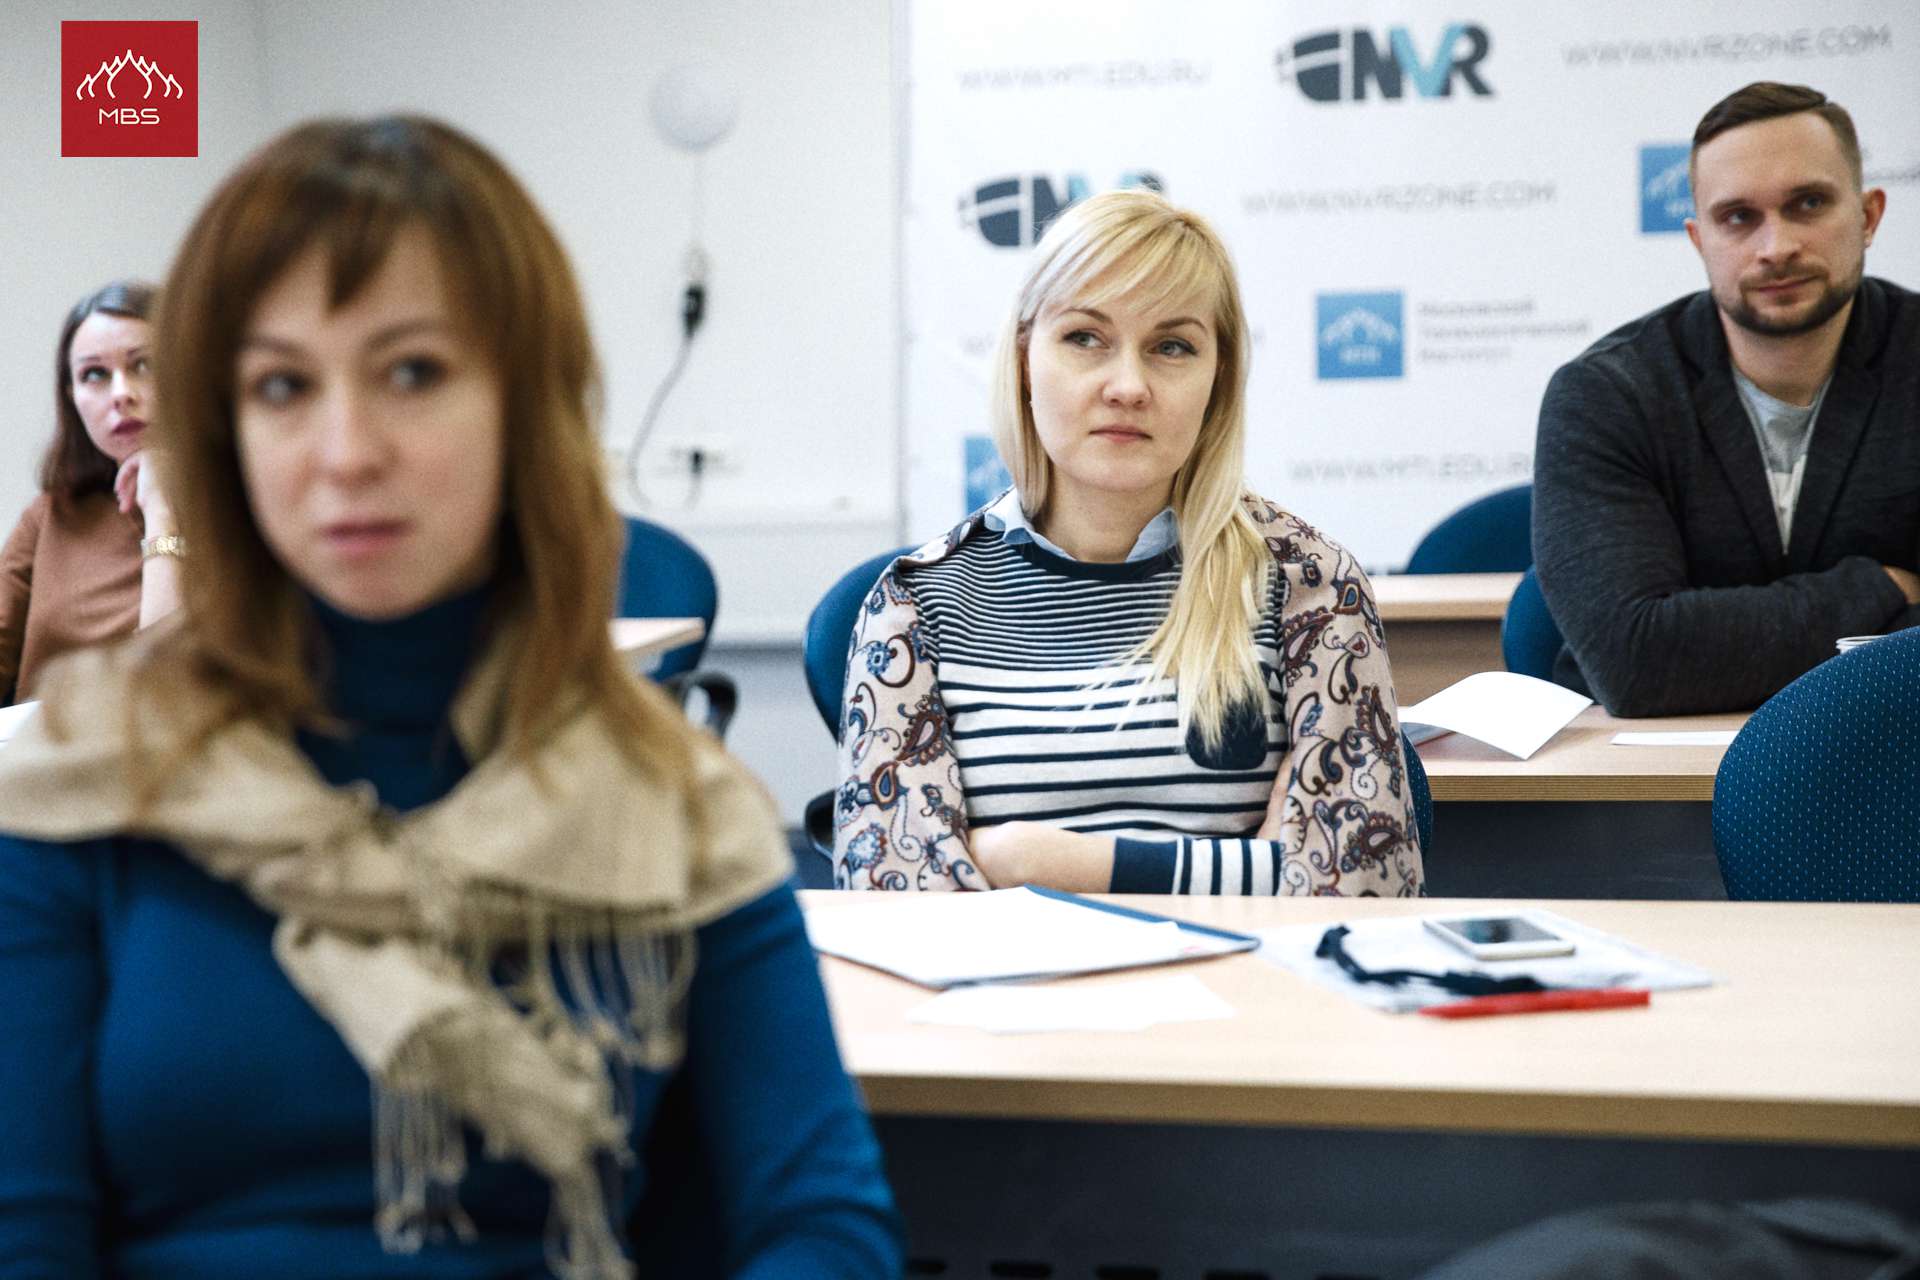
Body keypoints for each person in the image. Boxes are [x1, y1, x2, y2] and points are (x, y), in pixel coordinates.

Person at [0, 117, 900, 1278]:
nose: (345, 450)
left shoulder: (669, 800)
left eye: (412, 372)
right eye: (282, 384)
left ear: (526, 409)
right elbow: (24, 1233)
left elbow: (820, 1226)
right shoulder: (81, 786)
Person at [833, 190, 1423, 897]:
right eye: (1085, 338)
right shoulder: (917, 602)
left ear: (1218, 378)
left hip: (1249, 972)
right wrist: (1256, 872)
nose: (1128, 386)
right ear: (1024, 360)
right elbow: (892, 899)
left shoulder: (1308, 582)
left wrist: (1034, 862)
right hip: (1009, 978)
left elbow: (1368, 885)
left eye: (1172, 347)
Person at [1534, 81, 1920, 717]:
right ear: (1699, 240)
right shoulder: (1607, 393)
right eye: (1739, 217)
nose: (1776, 247)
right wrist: (1880, 587)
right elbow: (1634, 659)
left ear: (1868, 216)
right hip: (1644, 767)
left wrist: (1717, 642)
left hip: (1894, 743)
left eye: (1808, 203)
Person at [0, 281, 181, 705]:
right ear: (72, 396)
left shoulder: (242, 504)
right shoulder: (49, 517)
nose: (121, 394)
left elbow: (170, 678)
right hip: (48, 743)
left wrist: (162, 507)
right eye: (95, 374)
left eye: (143, 365)